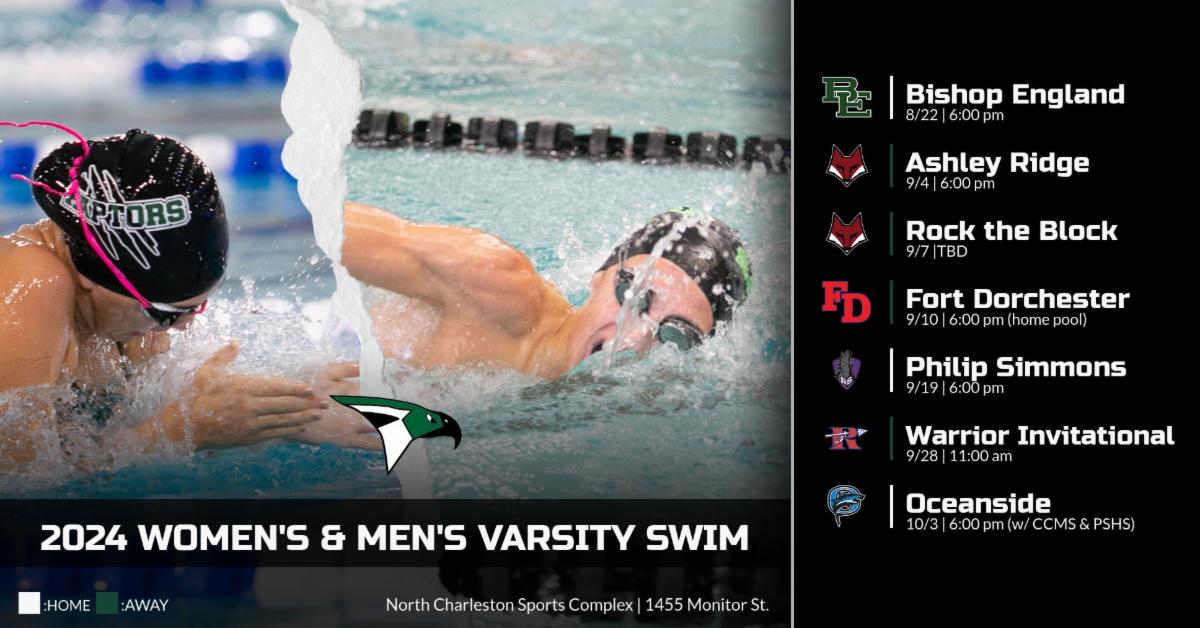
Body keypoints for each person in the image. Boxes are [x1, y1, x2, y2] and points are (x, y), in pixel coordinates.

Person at [0, 127, 371, 473]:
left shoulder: (129, 317)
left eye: (194, 308)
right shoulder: (29, 283)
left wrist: (289, 410)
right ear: (88, 273)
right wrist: (181, 431)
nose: (182, 327)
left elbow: (110, 439)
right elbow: (22, 484)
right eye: (166, 314)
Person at [341, 200, 752, 378]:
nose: (638, 336)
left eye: (676, 334)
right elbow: (318, 219)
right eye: (636, 296)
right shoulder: (494, 282)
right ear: (600, 275)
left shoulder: (649, 394)